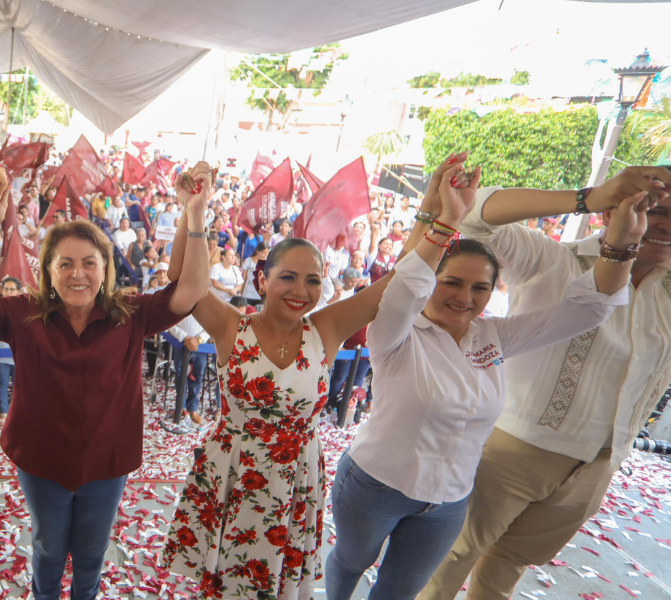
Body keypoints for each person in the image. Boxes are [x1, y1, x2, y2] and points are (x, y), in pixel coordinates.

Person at [327, 159, 642, 600]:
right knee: (349, 564)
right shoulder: (396, 331)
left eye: (480, 288)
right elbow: (404, 283)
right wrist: (444, 221)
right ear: (431, 281)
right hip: (375, 486)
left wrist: (621, 245)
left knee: (399, 591)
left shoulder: (492, 337)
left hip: (450, 503)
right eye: (452, 283)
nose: (464, 298)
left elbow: (587, 309)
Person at [0, 164, 211, 600]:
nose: (78, 274)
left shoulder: (130, 312)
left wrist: (194, 213)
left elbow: (191, 289)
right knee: (49, 549)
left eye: (90, 263)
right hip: (42, 461)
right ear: (48, 271)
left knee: (90, 552)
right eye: (64, 264)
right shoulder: (23, 314)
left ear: (106, 269)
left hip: (106, 464)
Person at [159, 154, 410, 598]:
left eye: (312, 281)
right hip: (234, 472)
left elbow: (397, 285)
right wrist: (193, 212)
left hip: (296, 480)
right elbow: (185, 283)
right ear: (261, 278)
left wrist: (438, 218)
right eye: (288, 277)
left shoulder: (325, 330)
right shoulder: (231, 327)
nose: (301, 290)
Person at [419, 166, 671, 600]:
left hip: (598, 463)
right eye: (655, 209)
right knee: (448, 560)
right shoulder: (558, 260)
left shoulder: (666, 297)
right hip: (511, 449)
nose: (663, 225)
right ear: (614, 208)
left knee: (506, 570)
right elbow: (475, 214)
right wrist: (584, 197)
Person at [0, 277, 23, 420]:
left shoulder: (25, 309)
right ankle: (4, 411)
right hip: (1, 354)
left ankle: (18, 411)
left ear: (19, 291)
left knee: (19, 385)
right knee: (2, 384)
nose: (8, 292)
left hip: (19, 356)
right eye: (6, 289)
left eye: (12, 289)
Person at [240, 242, 268, 308]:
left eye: (267, 253)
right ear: (257, 251)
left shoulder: (267, 263)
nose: (265, 255)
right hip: (248, 293)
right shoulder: (248, 261)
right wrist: (241, 292)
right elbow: (244, 278)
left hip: (260, 295)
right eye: (263, 253)